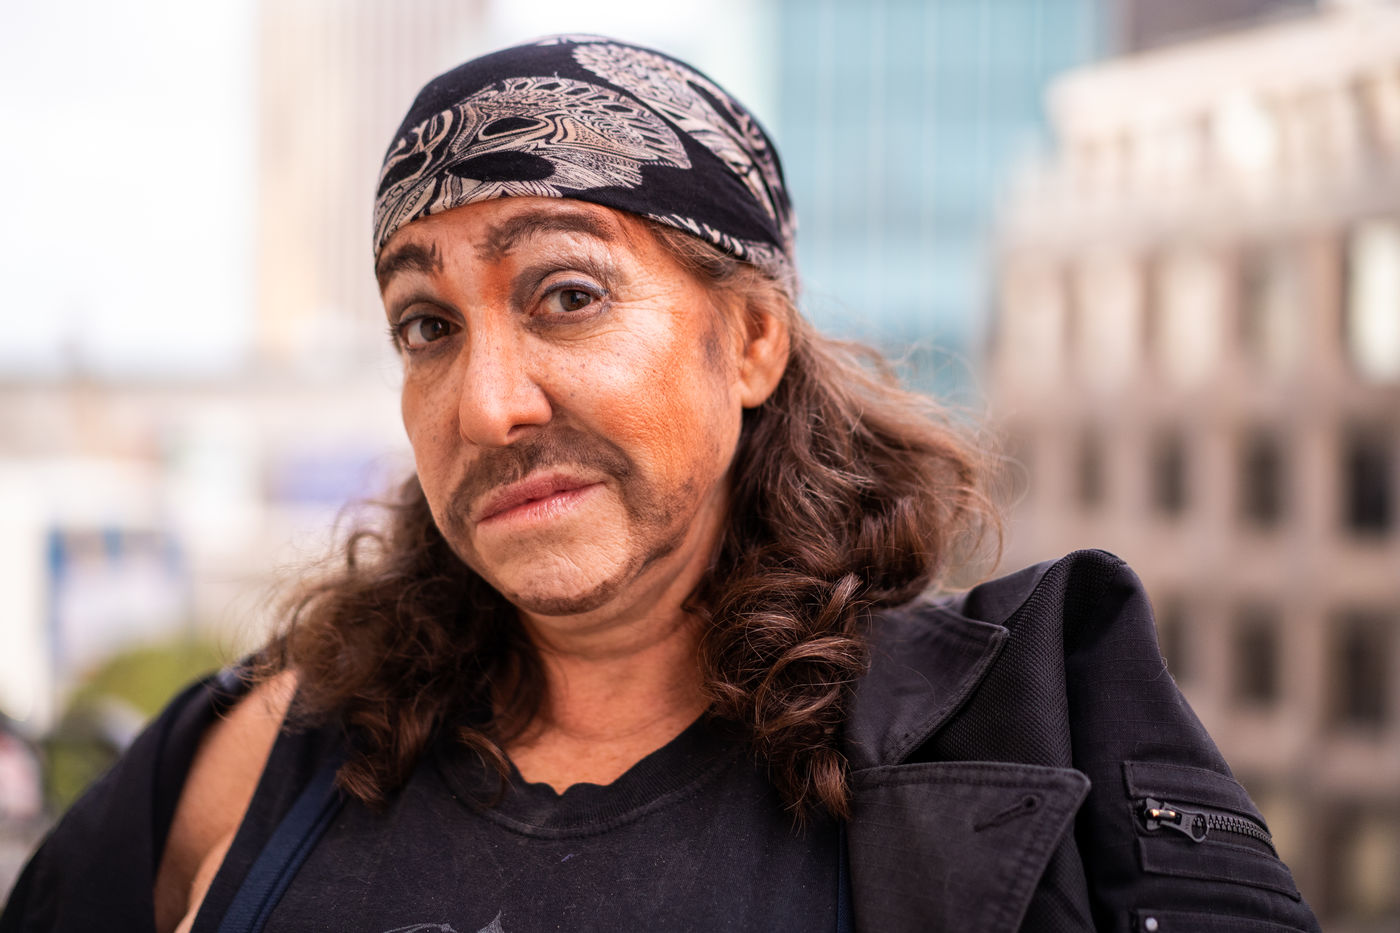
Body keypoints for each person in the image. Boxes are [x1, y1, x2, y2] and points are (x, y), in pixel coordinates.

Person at [2, 36, 1320, 933]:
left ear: (750, 341)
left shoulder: (1021, 729)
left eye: (567, 294)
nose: (487, 403)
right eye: (427, 325)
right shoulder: (259, 757)